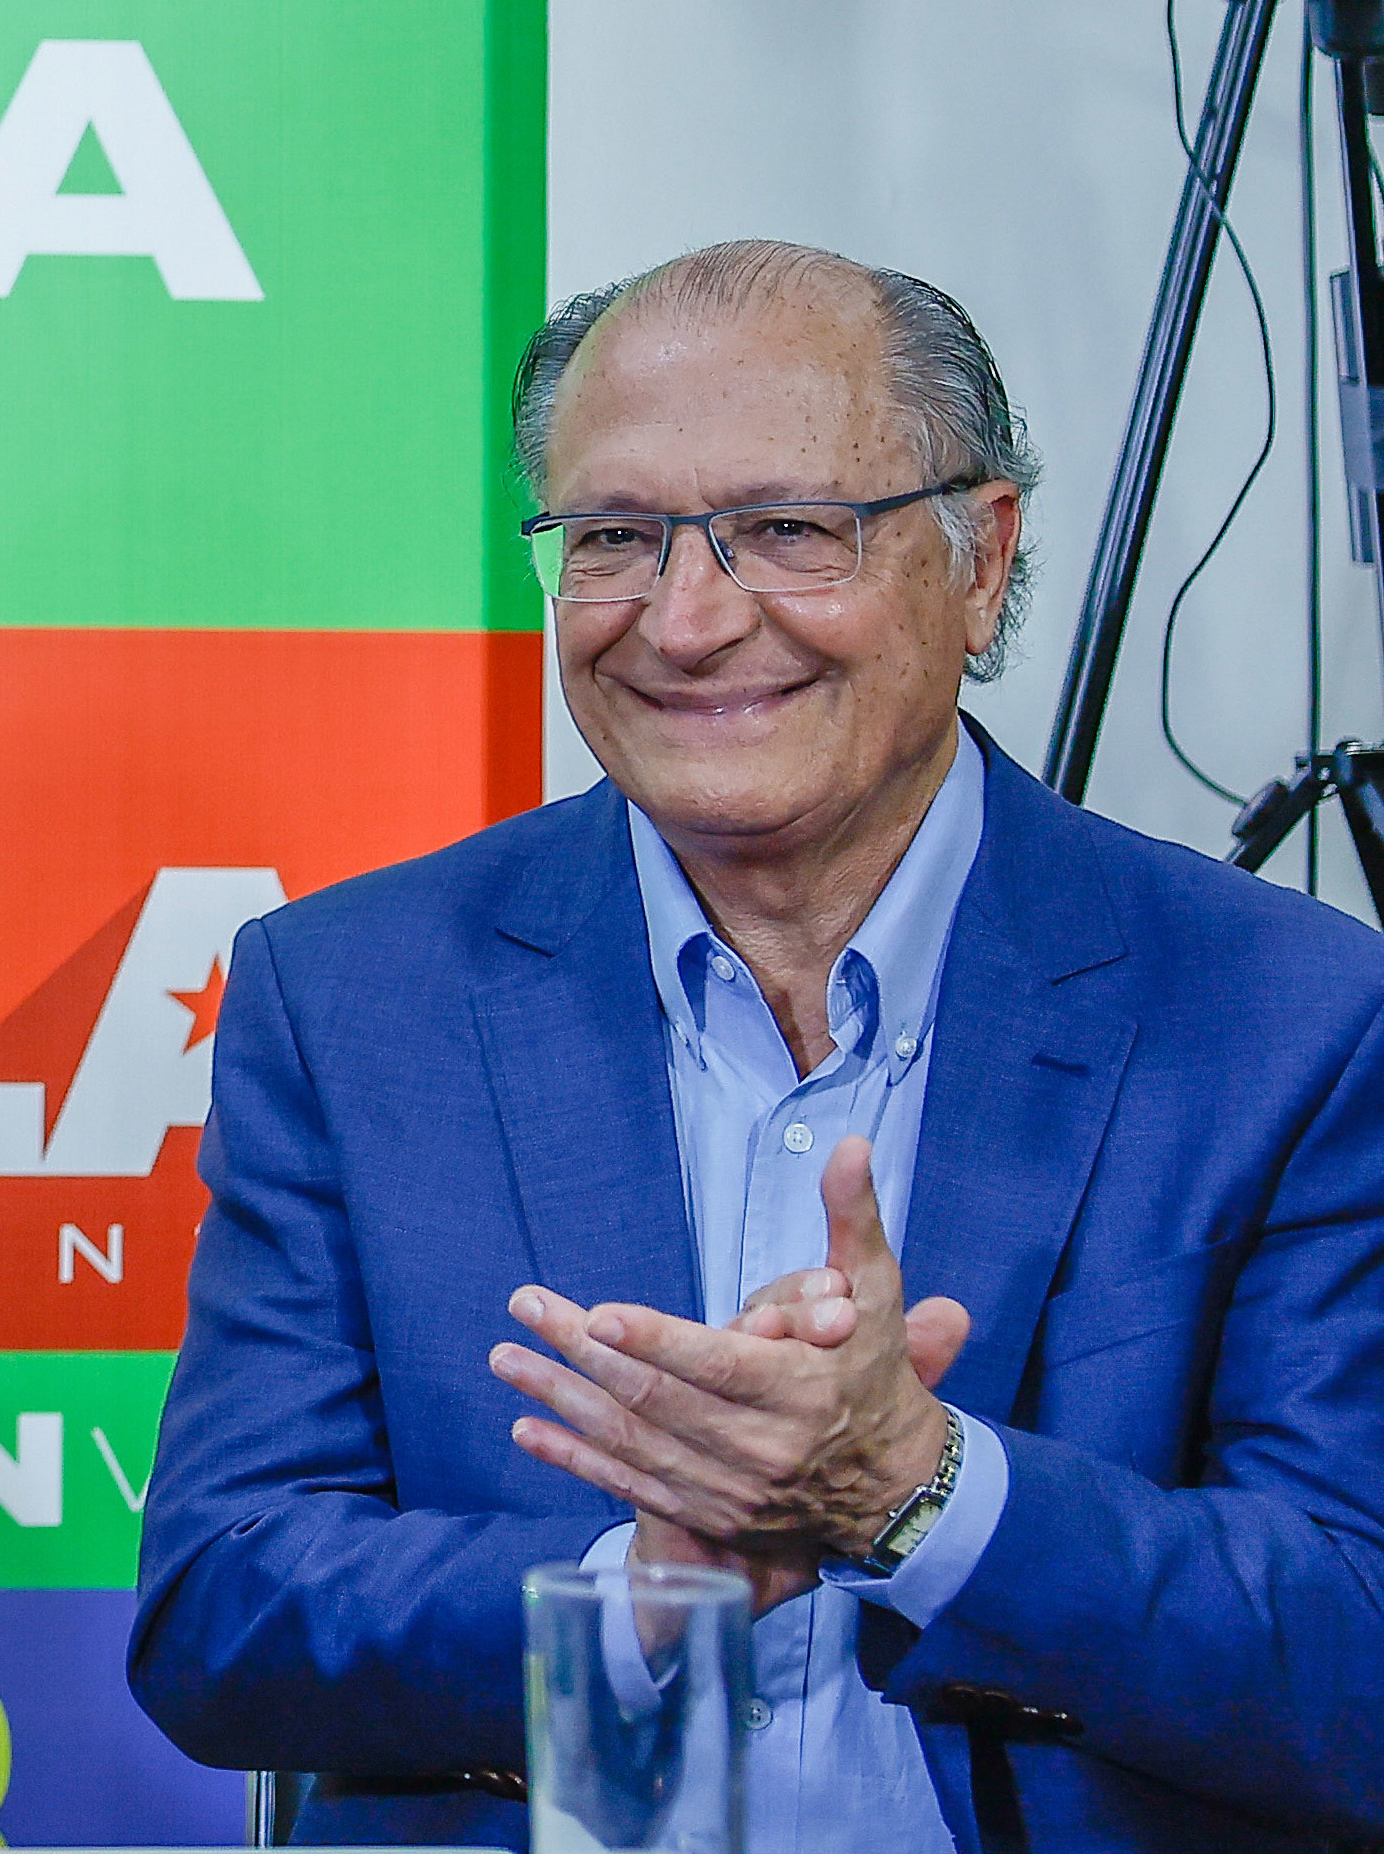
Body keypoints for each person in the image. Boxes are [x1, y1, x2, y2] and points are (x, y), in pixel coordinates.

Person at [129, 239, 1384, 1850]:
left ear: (980, 560)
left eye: (788, 529)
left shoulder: (1286, 1012)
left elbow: (1355, 1653)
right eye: (613, 538)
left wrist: (922, 1492)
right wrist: (640, 1587)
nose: (686, 620)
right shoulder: (351, 996)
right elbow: (219, 1607)